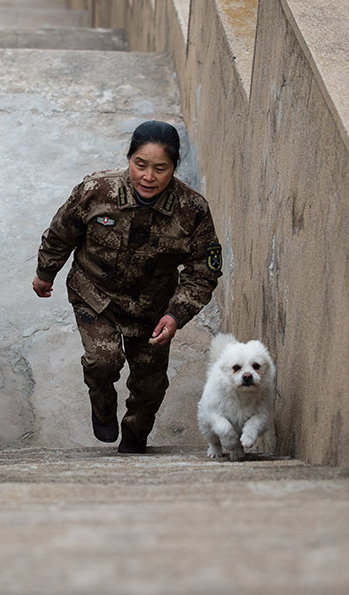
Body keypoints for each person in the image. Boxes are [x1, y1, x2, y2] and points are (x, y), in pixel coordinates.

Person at [33, 120, 222, 453]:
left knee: (150, 386)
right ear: (129, 159)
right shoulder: (95, 190)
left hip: (153, 309)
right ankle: (102, 407)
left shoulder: (193, 210)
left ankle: (134, 441)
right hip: (95, 296)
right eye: (140, 165)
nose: (148, 176)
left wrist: (176, 315)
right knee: (102, 361)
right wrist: (45, 273)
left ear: (174, 168)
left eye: (160, 168)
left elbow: (202, 271)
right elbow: (61, 232)